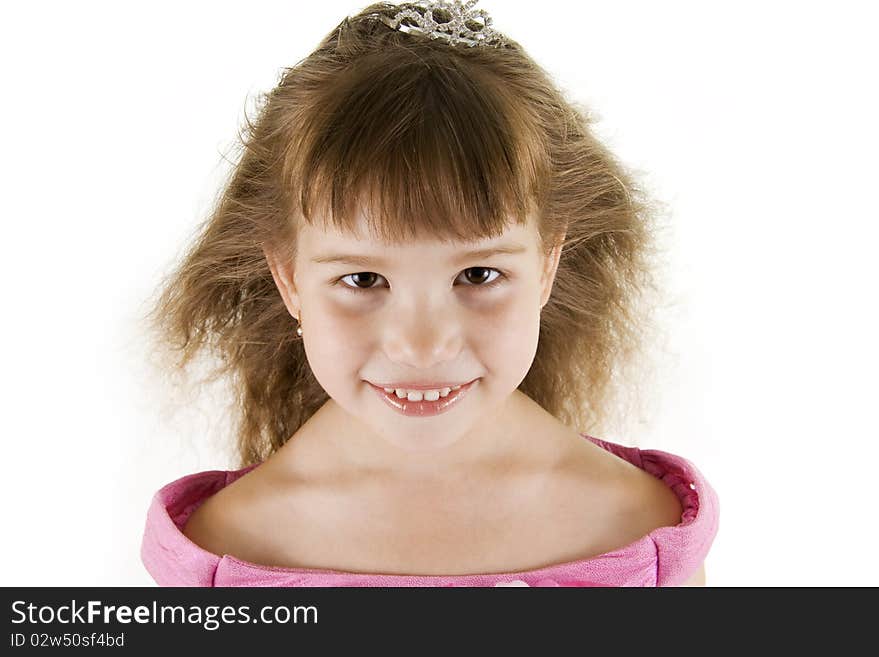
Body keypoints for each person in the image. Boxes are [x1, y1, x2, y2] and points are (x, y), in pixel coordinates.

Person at [139, 0, 719, 587]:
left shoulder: (638, 531)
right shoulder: (228, 553)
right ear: (288, 277)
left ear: (547, 263)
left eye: (478, 276)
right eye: (363, 280)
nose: (422, 347)